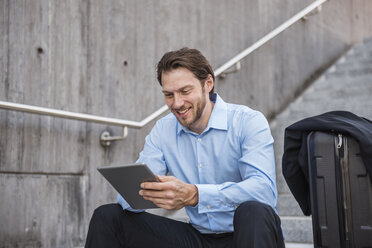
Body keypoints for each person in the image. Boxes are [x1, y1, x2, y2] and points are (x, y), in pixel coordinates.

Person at [85, 48, 284, 248]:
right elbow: (128, 200)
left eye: (185, 91)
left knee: (253, 212)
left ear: (208, 83)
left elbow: (263, 191)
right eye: (169, 94)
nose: (177, 103)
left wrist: (195, 195)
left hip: (249, 235)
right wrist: (150, 192)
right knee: (107, 217)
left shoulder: (248, 121)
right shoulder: (163, 129)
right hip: (197, 237)